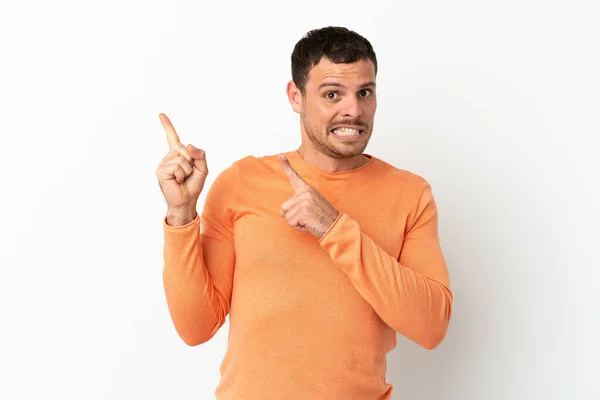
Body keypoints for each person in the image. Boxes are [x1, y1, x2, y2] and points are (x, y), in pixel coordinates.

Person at [156, 26, 453, 400]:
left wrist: (334, 228)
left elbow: (431, 326)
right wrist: (181, 213)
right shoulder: (241, 183)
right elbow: (195, 328)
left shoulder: (410, 194)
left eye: (365, 92)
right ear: (296, 96)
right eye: (333, 94)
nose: (354, 110)